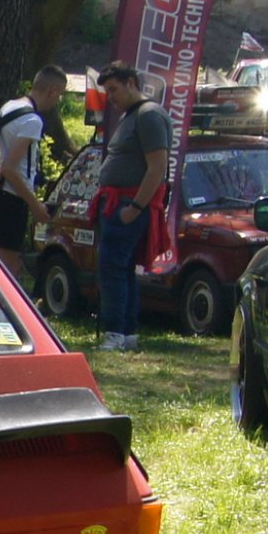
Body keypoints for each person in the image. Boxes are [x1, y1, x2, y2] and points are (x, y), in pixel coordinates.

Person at [90, 61, 172, 352]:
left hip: (127, 205)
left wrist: (135, 207)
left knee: (112, 267)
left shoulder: (149, 115)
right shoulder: (131, 116)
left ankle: (115, 332)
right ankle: (126, 332)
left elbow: (157, 166)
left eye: (113, 90)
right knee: (120, 269)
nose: (110, 97)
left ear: (131, 84)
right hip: (116, 202)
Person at [0, 64, 66, 279]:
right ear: (53, 91)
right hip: (12, 199)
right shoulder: (32, 120)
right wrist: (36, 205)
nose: (57, 101)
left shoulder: (10, 106)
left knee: (0, 260)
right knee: (8, 266)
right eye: (60, 96)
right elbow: (10, 168)